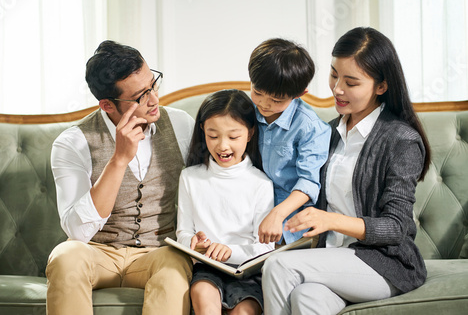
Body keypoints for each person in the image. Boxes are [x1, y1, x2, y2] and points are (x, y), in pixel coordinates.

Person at [262, 27, 431, 315]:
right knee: (306, 297)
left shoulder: (401, 140)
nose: (337, 89)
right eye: (333, 75)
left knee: (278, 266)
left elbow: (396, 228)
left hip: (384, 263)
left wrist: (331, 220)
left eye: (351, 82)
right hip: (333, 258)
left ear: (381, 86)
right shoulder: (327, 133)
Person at [46, 40, 195, 315]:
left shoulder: (181, 125)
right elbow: (78, 232)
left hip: (158, 252)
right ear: (107, 105)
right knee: (65, 257)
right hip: (97, 252)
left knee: (176, 266)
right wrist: (118, 160)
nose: (154, 100)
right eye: (140, 96)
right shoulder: (72, 143)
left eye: (154, 84)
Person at [176, 89, 275, 315]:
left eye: (233, 137)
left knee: (243, 311)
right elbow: (182, 232)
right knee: (203, 295)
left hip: (247, 272)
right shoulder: (190, 177)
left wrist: (229, 251)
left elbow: (265, 248)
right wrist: (194, 242)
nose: (222, 146)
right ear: (203, 132)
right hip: (206, 270)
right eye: (213, 136)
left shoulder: (260, 183)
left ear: (250, 134)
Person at [248, 38, 331, 245]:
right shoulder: (245, 111)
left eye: (276, 100)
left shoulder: (309, 127)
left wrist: (277, 213)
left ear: (299, 95)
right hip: (247, 209)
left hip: (287, 223)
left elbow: (309, 182)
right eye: (257, 92)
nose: (264, 104)